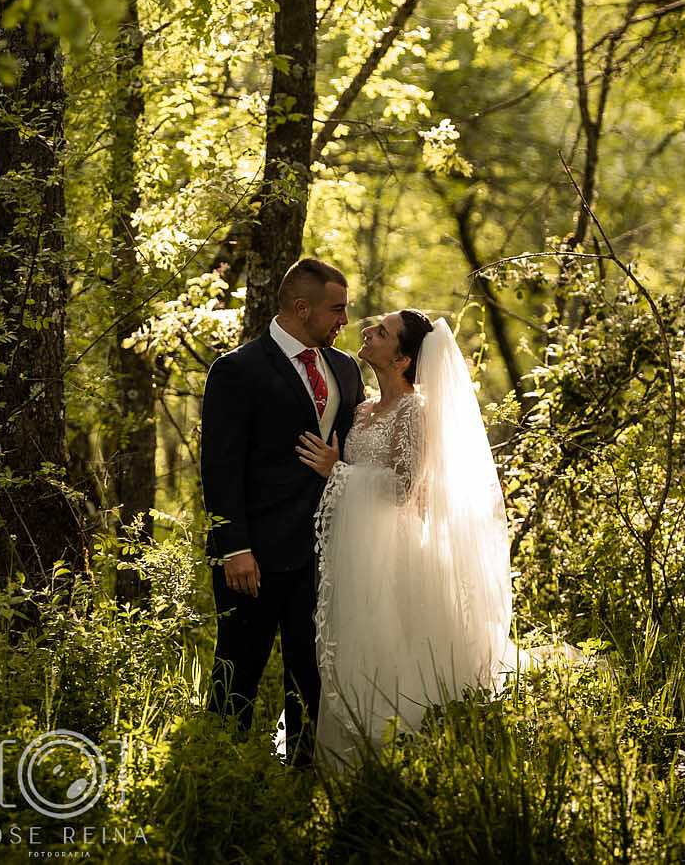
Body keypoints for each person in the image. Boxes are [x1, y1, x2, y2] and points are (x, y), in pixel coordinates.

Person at [293, 310, 513, 771]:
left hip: (396, 555)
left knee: (390, 649)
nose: (367, 332)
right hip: (355, 552)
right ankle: (333, 759)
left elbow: (405, 487)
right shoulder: (362, 409)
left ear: (402, 359)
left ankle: (397, 760)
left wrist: (339, 471)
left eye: (382, 332)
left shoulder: (416, 410)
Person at [199, 257, 366, 767]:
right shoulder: (237, 369)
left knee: (311, 677)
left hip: (323, 554)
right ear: (302, 307)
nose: (344, 320)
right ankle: (219, 777)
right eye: (336, 309)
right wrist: (235, 548)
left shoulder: (344, 369)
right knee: (239, 672)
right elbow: (219, 467)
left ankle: (302, 777)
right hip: (254, 557)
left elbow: (357, 451)